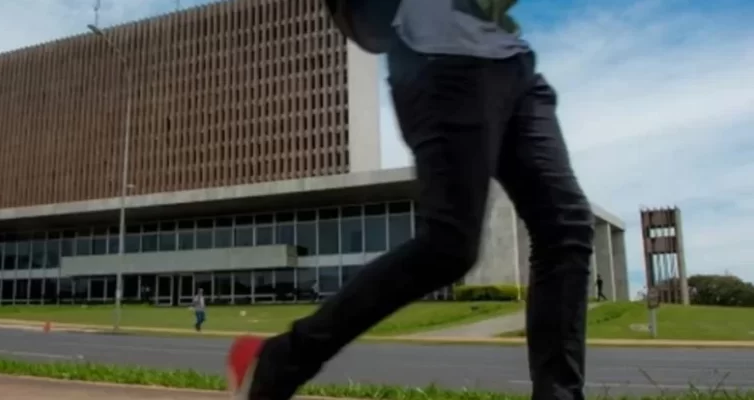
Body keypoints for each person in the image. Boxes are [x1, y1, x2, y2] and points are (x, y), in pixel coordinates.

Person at [227, 1, 595, 400]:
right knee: (450, 245)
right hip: (441, 61)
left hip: (512, 63)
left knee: (566, 227)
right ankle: (280, 360)